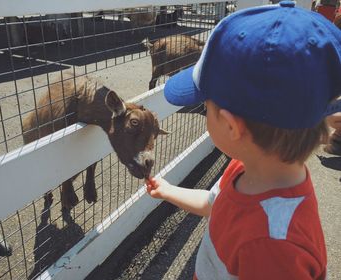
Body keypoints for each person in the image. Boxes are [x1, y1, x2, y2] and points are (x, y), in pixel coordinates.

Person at [145, 1, 341, 279]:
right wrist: (168, 191)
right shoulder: (247, 170)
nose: (204, 113)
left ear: (230, 125)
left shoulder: (273, 245)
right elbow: (217, 204)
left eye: (206, 106)